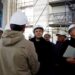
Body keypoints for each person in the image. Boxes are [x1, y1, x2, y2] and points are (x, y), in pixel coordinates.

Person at [0, 11, 40, 75]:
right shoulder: (28, 45)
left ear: (10, 26)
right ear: (24, 28)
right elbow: (35, 68)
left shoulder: (0, 42)